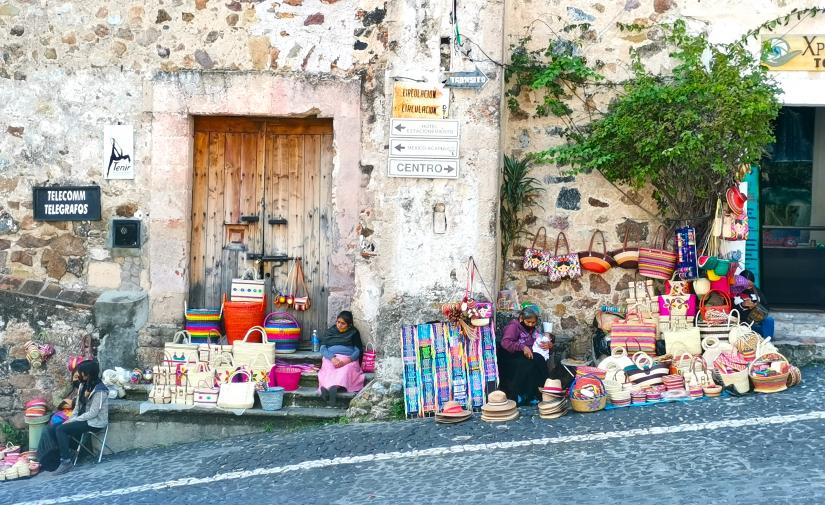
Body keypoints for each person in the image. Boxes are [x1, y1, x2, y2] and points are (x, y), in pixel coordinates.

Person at [40, 360, 109, 475]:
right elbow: (77, 407)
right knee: (51, 428)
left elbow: (93, 413)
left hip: (95, 422)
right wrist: (71, 419)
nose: (78, 375)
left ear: (88, 374)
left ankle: (66, 462)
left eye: (81, 373)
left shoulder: (100, 390)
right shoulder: (83, 385)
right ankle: (58, 457)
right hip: (83, 419)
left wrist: (73, 420)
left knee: (61, 429)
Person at [498, 306, 553, 406]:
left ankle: (542, 392)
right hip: (511, 356)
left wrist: (548, 344)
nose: (531, 325)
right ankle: (518, 394)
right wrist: (522, 347)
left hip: (526, 355)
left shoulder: (534, 329)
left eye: (533, 322)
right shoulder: (513, 327)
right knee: (528, 364)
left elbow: (540, 339)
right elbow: (505, 342)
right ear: (521, 319)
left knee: (539, 360)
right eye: (528, 322)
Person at [318, 311, 365, 406]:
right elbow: (322, 348)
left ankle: (333, 388)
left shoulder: (353, 332)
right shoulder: (330, 331)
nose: (339, 325)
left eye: (343, 323)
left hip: (348, 358)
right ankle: (327, 389)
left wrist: (347, 360)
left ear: (349, 324)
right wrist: (332, 358)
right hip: (331, 357)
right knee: (328, 367)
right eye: (338, 322)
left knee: (345, 369)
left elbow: (358, 350)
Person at [734, 269, 774, 339]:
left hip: (755, 322)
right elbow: (731, 312)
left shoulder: (756, 291)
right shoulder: (733, 292)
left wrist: (757, 307)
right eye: (745, 284)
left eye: (750, 285)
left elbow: (766, 307)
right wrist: (743, 305)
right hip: (741, 324)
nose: (748, 286)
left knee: (769, 320)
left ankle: (767, 342)